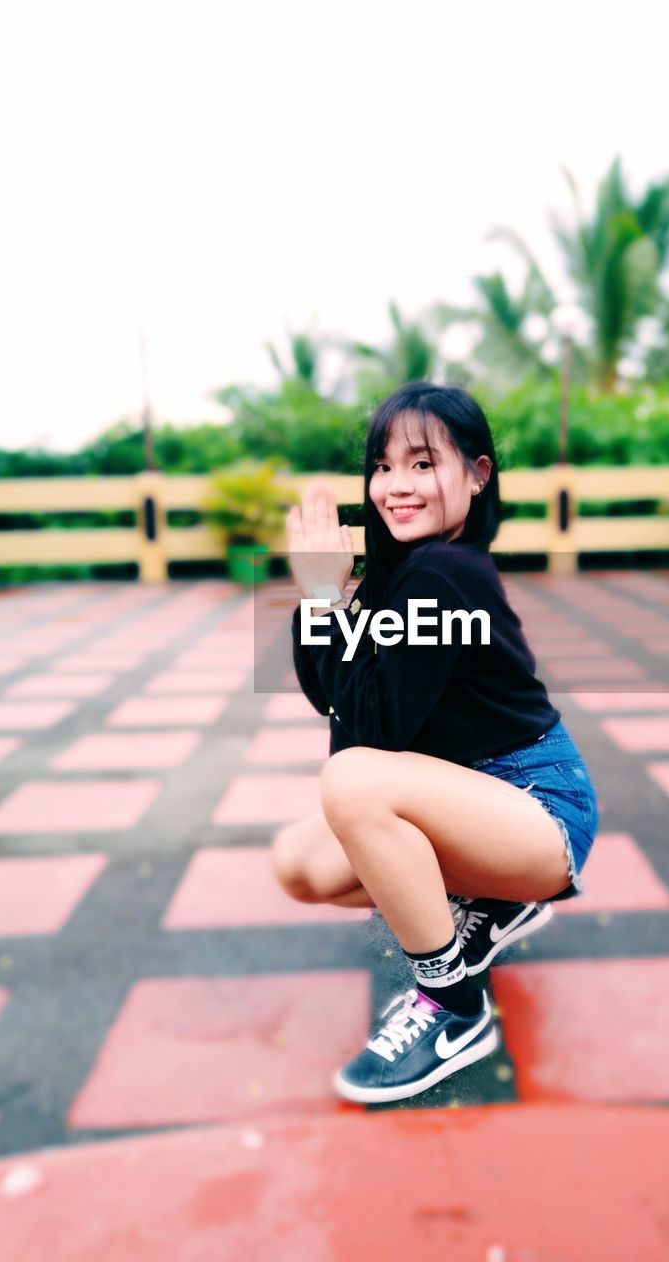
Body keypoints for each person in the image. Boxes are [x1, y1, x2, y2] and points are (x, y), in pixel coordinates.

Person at [271, 381, 599, 1104]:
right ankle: (495, 901)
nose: (396, 486)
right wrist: (319, 597)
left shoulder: (445, 575)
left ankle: (452, 1005)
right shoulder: (411, 572)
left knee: (355, 783)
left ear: (477, 474)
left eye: (423, 464)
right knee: (298, 862)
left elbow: (369, 734)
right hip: (482, 805)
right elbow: (336, 698)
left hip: (541, 811)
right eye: (384, 467)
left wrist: (328, 601)